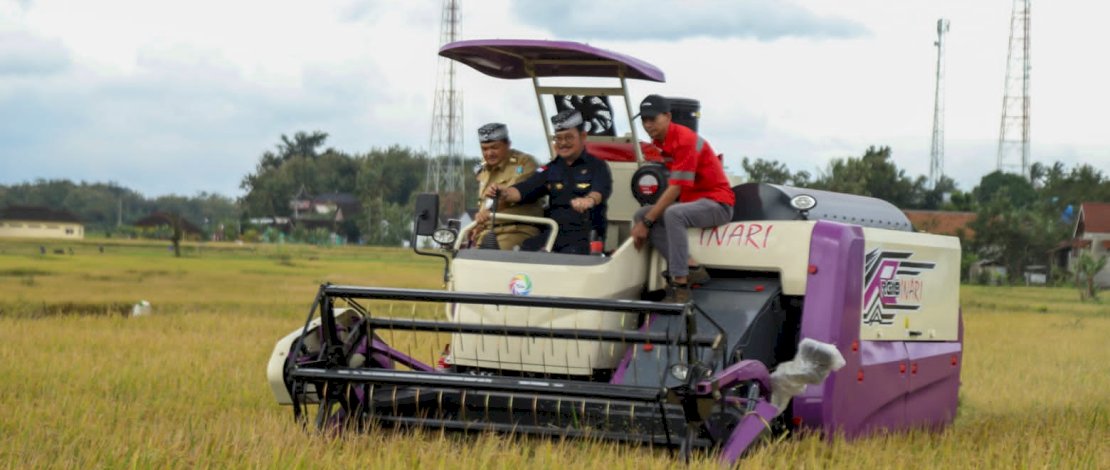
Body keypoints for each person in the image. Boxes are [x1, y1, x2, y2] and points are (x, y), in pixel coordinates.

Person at [632, 95, 735, 302]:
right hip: (694, 202)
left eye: (652, 119)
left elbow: (676, 189)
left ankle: (680, 285)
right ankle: (690, 264)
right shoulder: (662, 142)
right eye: (644, 120)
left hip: (718, 204)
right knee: (640, 214)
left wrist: (648, 222)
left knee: (671, 214)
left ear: (668, 116)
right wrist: (645, 219)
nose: (647, 124)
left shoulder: (685, 140)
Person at [484, 109, 612, 254]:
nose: (563, 143)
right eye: (558, 138)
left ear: (582, 136)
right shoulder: (550, 169)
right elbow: (524, 189)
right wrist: (503, 192)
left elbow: (599, 192)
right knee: (524, 251)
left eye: (568, 137)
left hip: (584, 236)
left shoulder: (598, 166)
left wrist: (588, 200)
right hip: (553, 234)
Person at [472, 123, 544, 250]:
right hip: (488, 232)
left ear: (508, 144)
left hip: (516, 230)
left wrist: (486, 213)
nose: (489, 153)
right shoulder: (484, 170)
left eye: (494, 147)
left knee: (492, 263)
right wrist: (478, 225)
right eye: (485, 149)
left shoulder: (524, 163)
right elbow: (483, 204)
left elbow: (512, 194)